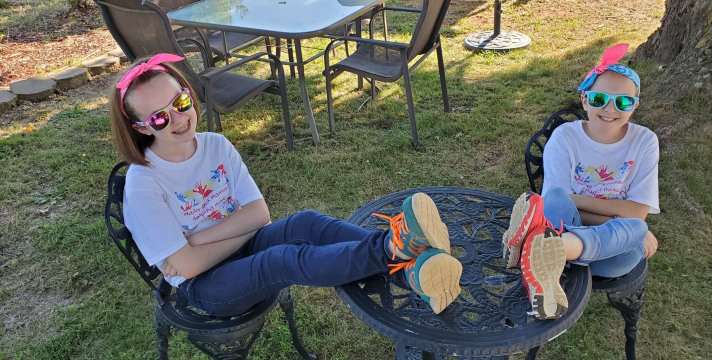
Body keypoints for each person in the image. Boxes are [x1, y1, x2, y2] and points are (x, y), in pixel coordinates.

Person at [108, 53, 463, 315]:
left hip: (227, 252)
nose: (178, 118)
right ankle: (391, 249)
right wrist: (202, 251)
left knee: (305, 222)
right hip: (207, 287)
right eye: (159, 117)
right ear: (141, 127)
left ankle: (415, 273)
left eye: (181, 101)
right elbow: (186, 270)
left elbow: (259, 214)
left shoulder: (216, 145)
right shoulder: (144, 184)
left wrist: (195, 240)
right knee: (281, 259)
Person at [502, 44, 660, 320]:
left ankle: (551, 254)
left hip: (587, 243)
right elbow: (557, 201)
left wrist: (577, 200)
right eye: (600, 99)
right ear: (585, 99)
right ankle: (555, 253)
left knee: (635, 232)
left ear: (634, 106)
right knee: (634, 230)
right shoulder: (566, 137)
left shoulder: (645, 141)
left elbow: (638, 211)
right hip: (569, 222)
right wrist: (616, 215)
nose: (610, 109)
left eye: (623, 102)